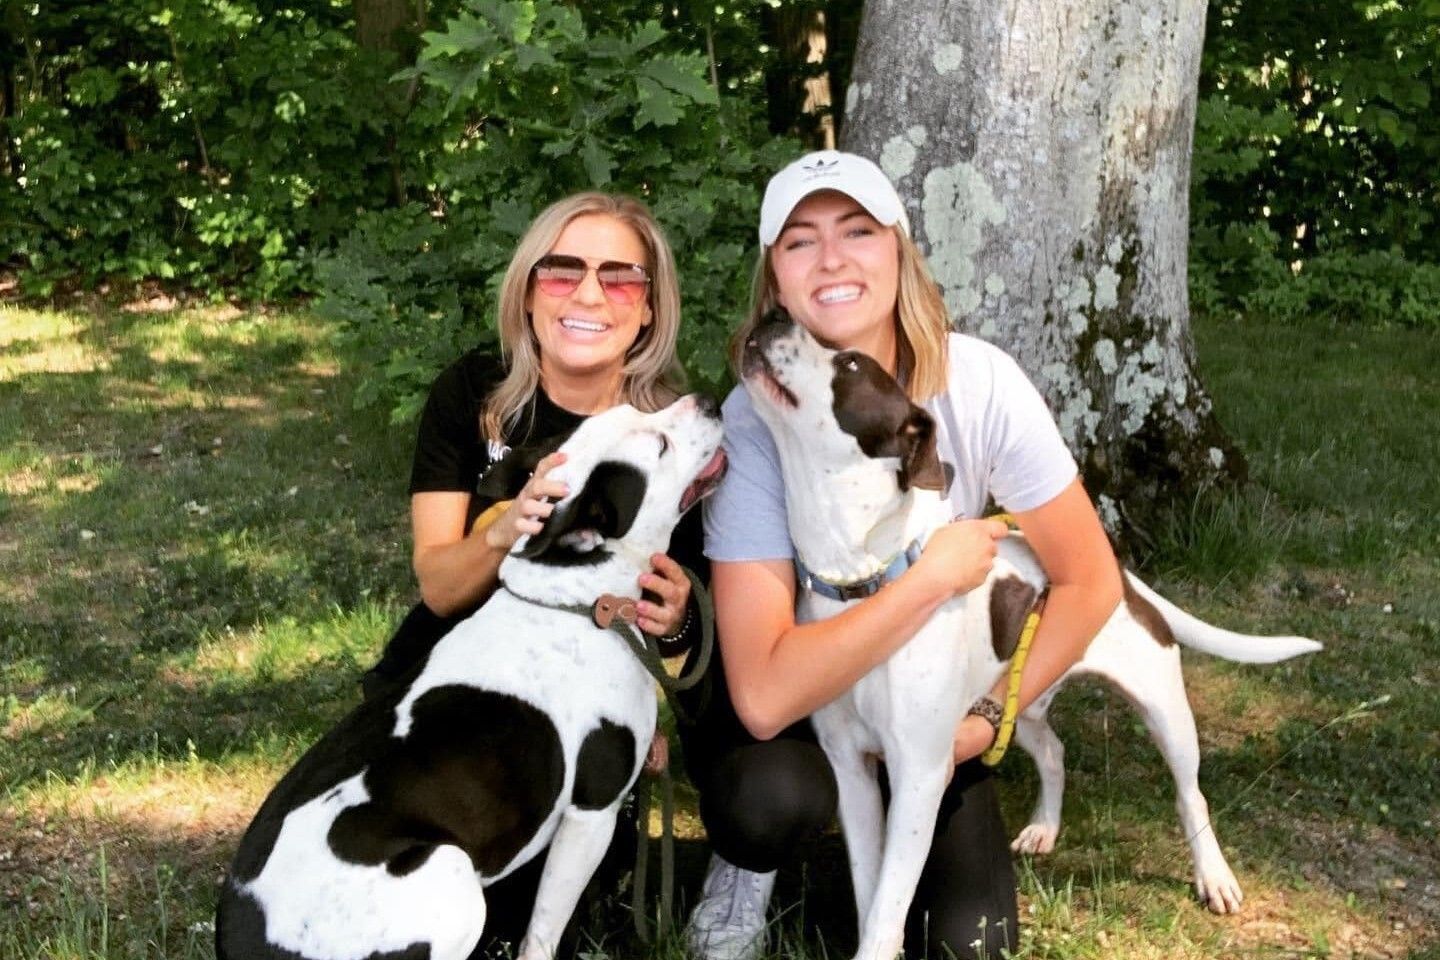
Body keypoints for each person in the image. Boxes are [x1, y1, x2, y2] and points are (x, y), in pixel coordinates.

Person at [679, 151, 1124, 960]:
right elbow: (767, 698)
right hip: (802, 709)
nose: (834, 259)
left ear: (899, 252)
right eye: (801, 241)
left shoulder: (979, 382)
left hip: (936, 704)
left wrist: (986, 716)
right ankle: (753, 865)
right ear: (776, 277)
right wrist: (926, 583)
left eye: (857, 231)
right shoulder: (759, 414)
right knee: (763, 798)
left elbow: (1091, 580)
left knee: (968, 947)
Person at [361, 191, 707, 956]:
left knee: (538, 892)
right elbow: (440, 587)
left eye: (620, 279)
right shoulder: (473, 394)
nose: (589, 295)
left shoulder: (668, 435)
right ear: (527, 288)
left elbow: (685, 617)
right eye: (563, 272)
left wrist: (662, 655)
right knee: (405, 843)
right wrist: (506, 528)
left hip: (582, 702)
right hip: (460, 669)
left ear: (649, 309)